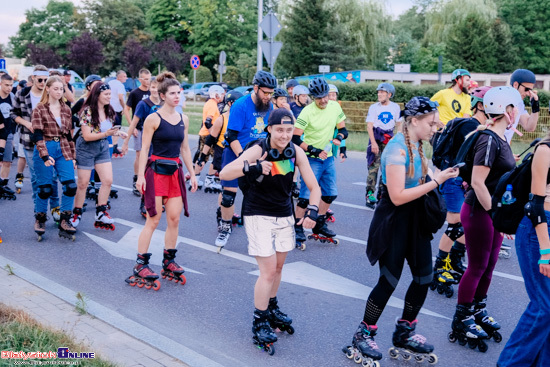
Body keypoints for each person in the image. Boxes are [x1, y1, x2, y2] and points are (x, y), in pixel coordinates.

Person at [344, 97, 457, 366]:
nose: (435, 126)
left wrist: (446, 174)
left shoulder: (418, 144)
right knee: (389, 280)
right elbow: (396, 196)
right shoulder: (396, 149)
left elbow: (424, 174)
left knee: (423, 278)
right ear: (414, 121)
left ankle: (405, 330)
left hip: (415, 219)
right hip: (394, 220)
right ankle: (364, 333)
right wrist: (436, 182)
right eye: (431, 122)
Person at [219, 108, 321, 353]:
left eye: (288, 130)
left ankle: (271, 307)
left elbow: (314, 187)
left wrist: (313, 210)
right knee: (267, 272)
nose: (285, 135)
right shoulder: (259, 148)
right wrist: (253, 167)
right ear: (270, 129)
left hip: (284, 215)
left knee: (278, 267)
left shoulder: (295, 152)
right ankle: (259, 319)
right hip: (257, 215)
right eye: (279, 130)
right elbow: (225, 173)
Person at [451, 86, 521, 352]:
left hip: (492, 210)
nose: (517, 112)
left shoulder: (499, 138)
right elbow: (478, 183)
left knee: (489, 266)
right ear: (507, 110)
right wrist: (495, 213)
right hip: (481, 211)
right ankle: (462, 318)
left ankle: (478, 310)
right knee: (477, 266)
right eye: (515, 107)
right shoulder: (489, 139)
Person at [126, 72, 197, 290]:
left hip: (174, 173)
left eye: (179, 93)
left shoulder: (183, 119)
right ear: (163, 95)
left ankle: (168, 261)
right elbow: (145, 148)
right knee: (153, 220)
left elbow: (185, 148)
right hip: (155, 173)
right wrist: (139, 177)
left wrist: (193, 173)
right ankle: (140, 265)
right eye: (173, 93)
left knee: (174, 219)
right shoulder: (153, 118)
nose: (177, 97)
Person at [431, 86, 492, 297]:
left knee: (467, 226)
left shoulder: (479, 127)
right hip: (453, 179)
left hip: (463, 181)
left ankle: (454, 258)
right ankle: (439, 267)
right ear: (481, 106)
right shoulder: (470, 126)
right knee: (455, 226)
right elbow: (469, 157)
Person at [497, 134, 550, 367]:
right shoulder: (545, 150)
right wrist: (546, 252)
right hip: (538, 231)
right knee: (544, 305)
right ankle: (509, 363)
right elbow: (535, 205)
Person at [218, 71, 276, 252]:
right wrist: (245, 159)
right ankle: (225, 226)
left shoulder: (270, 106)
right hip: (236, 152)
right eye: (265, 93)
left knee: (257, 196)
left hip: (257, 153)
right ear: (256, 88)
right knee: (228, 196)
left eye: (271, 93)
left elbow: (269, 133)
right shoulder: (241, 105)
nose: (268, 97)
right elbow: (231, 135)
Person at [292, 77, 348, 245]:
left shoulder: (335, 106)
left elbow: (343, 129)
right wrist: (313, 150)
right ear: (313, 97)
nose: (323, 100)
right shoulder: (307, 112)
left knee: (330, 194)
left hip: (328, 158)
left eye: (325, 96)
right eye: (319, 97)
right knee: (305, 197)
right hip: (311, 159)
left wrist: (339, 137)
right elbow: (295, 138)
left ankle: (319, 224)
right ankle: (298, 227)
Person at [70, 82, 123, 230]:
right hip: (86, 148)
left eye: (110, 94)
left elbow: (108, 129)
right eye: (106, 94)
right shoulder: (87, 111)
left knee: (107, 180)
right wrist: (107, 134)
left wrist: (118, 132)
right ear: (97, 95)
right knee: (83, 183)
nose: (109, 97)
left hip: (102, 147)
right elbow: (86, 136)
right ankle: (77, 213)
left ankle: (101, 211)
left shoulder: (109, 111)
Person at [30, 76, 77, 241]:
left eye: (61, 89)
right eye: (55, 88)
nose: (59, 92)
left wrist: (73, 157)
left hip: (63, 148)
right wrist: (44, 155)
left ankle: (65, 220)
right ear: (48, 89)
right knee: (45, 189)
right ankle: (40, 219)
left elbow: (69, 135)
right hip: (46, 147)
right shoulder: (39, 109)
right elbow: (36, 134)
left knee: (70, 186)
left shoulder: (66, 109)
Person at [196, 90, 243, 249]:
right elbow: (210, 139)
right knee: (227, 193)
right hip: (225, 154)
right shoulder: (222, 119)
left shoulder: (244, 117)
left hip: (243, 156)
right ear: (230, 104)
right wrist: (202, 158)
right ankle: (222, 216)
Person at [13, 65, 60, 216]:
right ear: (33, 78)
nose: (43, 83)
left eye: (46, 80)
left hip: (49, 141)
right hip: (29, 140)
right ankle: (38, 209)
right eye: (40, 80)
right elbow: (13, 114)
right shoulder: (22, 94)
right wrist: (27, 123)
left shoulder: (49, 93)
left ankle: (54, 206)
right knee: (36, 177)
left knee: (51, 175)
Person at [122, 76, 162, 218]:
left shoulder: (165, 104)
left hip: (162, 143)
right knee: (148, 173)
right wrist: (126, 142)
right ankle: (144, 202)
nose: (155, 90)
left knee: (160, 173)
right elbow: (134, 122)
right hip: (148, 141)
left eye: (157, 87)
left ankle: (159, 200)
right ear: (149, 88)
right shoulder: (143, 104)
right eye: (152, 87)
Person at [365, 83, 401, 208]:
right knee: (373, 168)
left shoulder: (395, 107)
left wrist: (398, 140)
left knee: (386, 168)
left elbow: (399, 125)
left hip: (389, 139)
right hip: (376, 137)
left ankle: (381, 194)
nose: (379, 94)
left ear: (389, 94)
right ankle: (369, 195)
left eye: (382, 92)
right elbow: (369, 125)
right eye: (378, 92)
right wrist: (373, 143)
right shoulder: (374, 107)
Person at [193, 85, 225, 192]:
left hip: (204, 134)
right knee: (214, 157)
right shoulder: (212, 105)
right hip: (208, 135)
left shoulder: (210, 103)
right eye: (221, 94)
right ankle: (208, 181)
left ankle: (196, 179)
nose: (222, 97)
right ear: (216, 94)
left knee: (203, 156)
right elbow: (207, 122)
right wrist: (213, 135)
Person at [123, 68, 151, 174]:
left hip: (150, 127)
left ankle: (147, 176)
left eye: (150, 79)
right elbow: (126, 109)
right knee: (139, 154)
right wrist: (132, 126)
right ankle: (136, 177)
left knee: (150, 154)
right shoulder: (135, 93)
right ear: (140, 79)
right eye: (146, 79)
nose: (148, 81)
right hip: (139, 127)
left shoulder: (152, 92)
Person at [506, 69, 539, 144]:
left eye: (530, 90)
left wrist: (535, 105)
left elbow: (529, 127)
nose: (528, 93)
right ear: (515, 85)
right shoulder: (502, 100)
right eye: (526, 89)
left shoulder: (519, 103)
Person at [0, 73, 17, 200]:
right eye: (6, 85)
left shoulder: (12, 97)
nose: (9, 88)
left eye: (11, 85)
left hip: (8, 132)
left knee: (7, 161)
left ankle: (3, 184)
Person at [108, 70, 128, 152]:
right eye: (124, 76)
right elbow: (120, 97)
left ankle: (109, 144)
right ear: (119, 77)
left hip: (108, 107)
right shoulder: (120, 85)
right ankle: (114, 146)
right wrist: (124, 107)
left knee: (110, 126)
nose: (126, 78)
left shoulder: (110, 82)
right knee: (117, 127)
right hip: (116, 109)